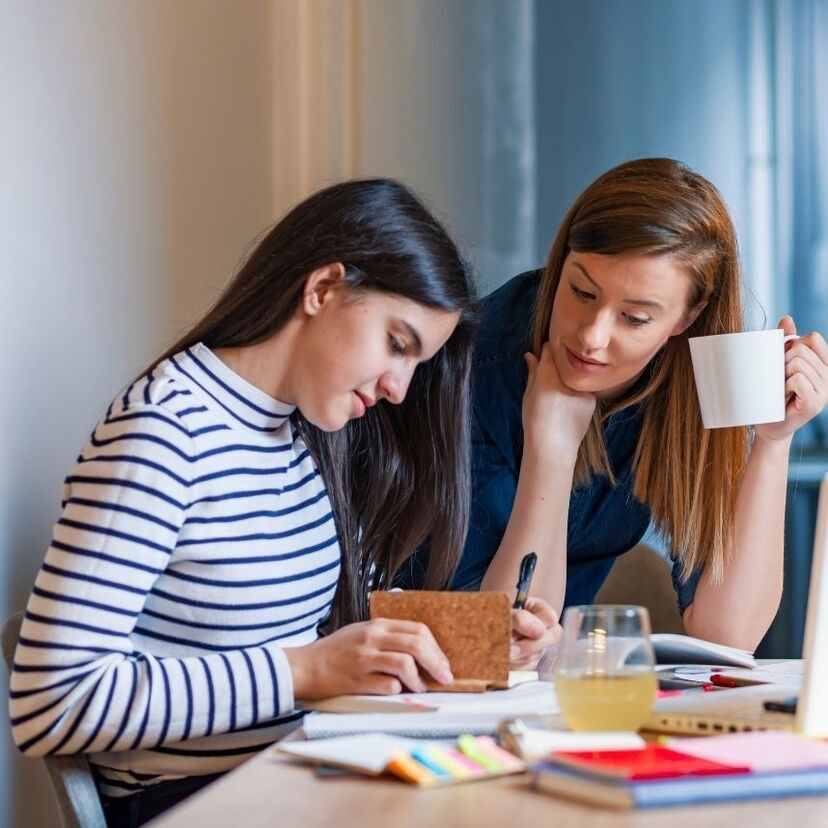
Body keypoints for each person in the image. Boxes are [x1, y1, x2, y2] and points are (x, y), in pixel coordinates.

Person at [9, 178, 555, 827]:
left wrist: (483, 646)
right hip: (202, 803)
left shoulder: (299, 431)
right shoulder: (163, 434)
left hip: (304, 776)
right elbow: (51, 702)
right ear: (322, 289)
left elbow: (332, 633)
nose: (400, 388)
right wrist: (304, 672)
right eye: (397, 344)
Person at [453, 157, 827, 652]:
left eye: (634, 318)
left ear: (688, 317)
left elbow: (728, 634)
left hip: (541, 687)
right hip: (418, 680)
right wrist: (552, 449)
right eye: (581, 291)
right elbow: (496, 640)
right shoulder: (472, 365)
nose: (592, 335)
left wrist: (774, 443)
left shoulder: (696, 376)